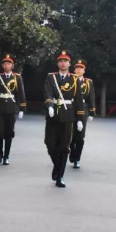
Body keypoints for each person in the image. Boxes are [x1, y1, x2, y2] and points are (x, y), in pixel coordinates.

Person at [43, 50, 86, 188]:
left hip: (68, 115)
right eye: (60, 61)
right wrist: (49, 105)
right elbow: (47, 92)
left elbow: (78, 99)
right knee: (50, 144)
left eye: (65, 61)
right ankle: (57, 166)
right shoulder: (51, 77)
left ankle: (60, 176)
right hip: (53, 114)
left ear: (69, 63)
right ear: (57, 63)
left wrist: (80, 118)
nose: (63, 63)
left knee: (64, 147)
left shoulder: (74, 79)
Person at [0, 54, 26, 165]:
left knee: (9, 132)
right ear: (3, 65)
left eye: (9, 63)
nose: (7, 65)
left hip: (11, 108)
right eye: (5, 63)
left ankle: (6, 156)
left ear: (12, 65)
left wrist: (22, 108)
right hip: (0, 108)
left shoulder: (17, 77)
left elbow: (21, 93)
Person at [69, 59, 97, 169]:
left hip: (84, 109)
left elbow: (91, 97)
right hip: (71, 109)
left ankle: (77, 159)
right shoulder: (69, 80)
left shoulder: (88, 82)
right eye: (77, 68)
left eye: (81, 68)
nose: (78, 70)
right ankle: (72, 154)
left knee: (80, 136)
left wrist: (91, 112)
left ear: (84, 70)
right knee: (70, 134)